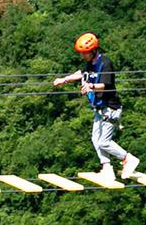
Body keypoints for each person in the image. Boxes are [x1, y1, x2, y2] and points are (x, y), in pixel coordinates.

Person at [53, 32, 140, 180]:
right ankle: (106, 168)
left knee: (104, 142)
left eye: (85, 53)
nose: (83, 56)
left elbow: (105, 85)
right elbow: (82, 73)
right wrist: (65, 79)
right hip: (99, 109)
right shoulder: (90, 64)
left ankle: (128, 159)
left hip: (110, 109)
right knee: (95, 139)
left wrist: (90, 86)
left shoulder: (105, 64)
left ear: (93, 51)